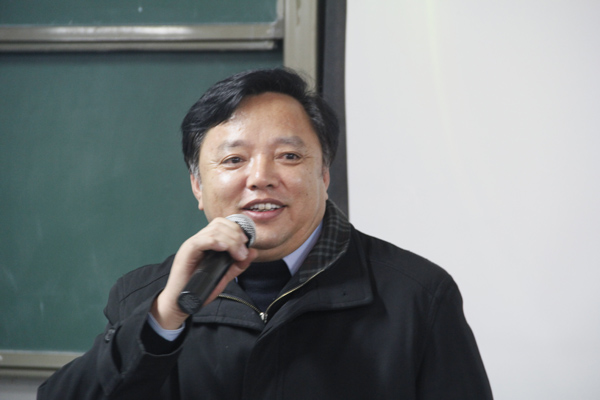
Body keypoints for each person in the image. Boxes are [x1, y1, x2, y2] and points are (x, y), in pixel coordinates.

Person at [38, 68, 493, 399]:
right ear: (197, 185)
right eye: (233, 160)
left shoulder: (417, 296)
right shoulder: (144, 297)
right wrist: (164, 318)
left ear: (325, 173)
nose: (260, 178)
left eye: (289, 157)